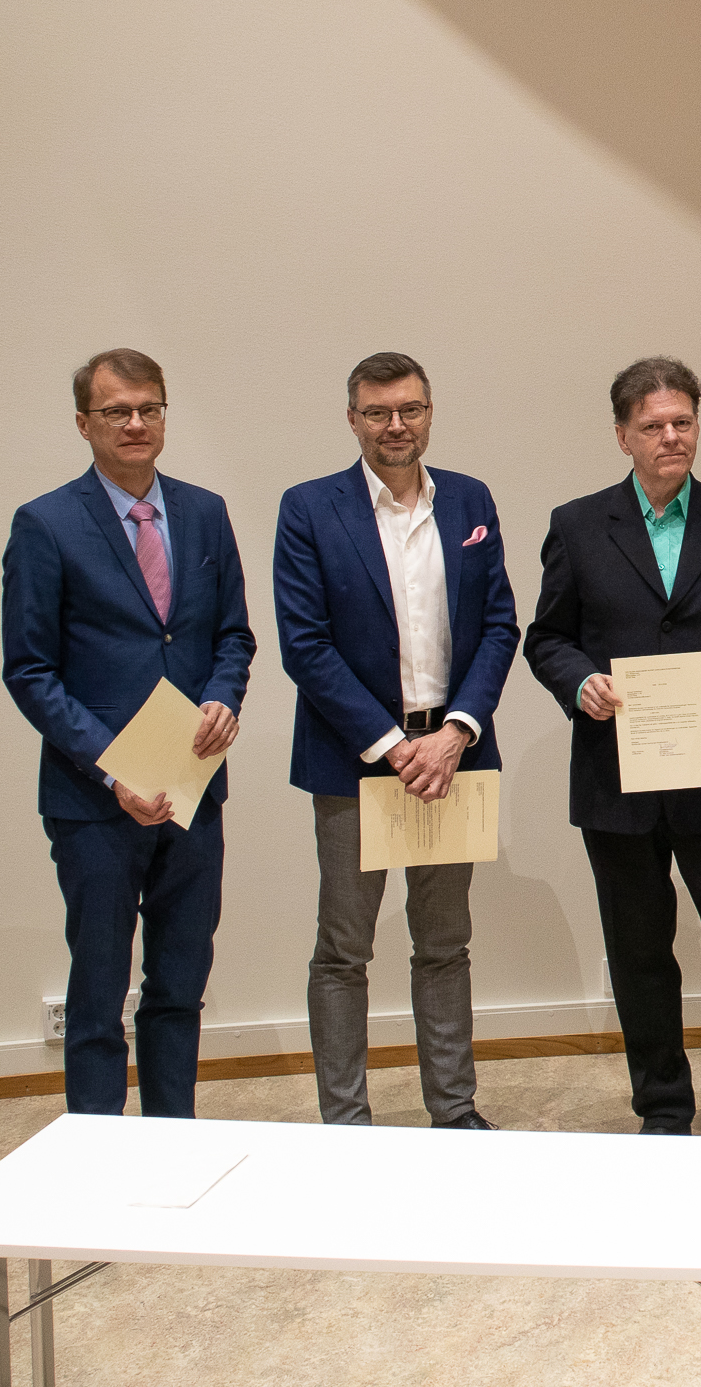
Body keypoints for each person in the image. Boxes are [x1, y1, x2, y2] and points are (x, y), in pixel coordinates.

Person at [522, 357, 701, 1136]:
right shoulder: (577, 525)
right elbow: (547, 637)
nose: (671, 436)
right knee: (639, 950)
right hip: (615, 778)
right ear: (623, 436)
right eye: (653, 425)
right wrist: (582, 682)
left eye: (683, 421)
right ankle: (664, 1105)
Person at [1, 349, 252, 1120]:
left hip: (193, 789)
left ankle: (173, 1138)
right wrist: (114, 768)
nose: (136, 423)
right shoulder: (46, 523)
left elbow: (233, 635)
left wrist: (223, 696)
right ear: (85, 423)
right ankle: (98, 1155)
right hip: (95, 801)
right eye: (117, 411)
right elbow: (30, 670)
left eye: (149, 408)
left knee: (180, 984)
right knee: (99, 991)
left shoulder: (205, 511)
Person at [273, 352, 519, 1129]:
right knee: (344, 950)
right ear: (352, 419)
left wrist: (455, 731)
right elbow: (305, 644)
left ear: (430, 411)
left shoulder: (469, 499)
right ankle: (347, 1123)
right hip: (356, 761)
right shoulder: (309, 507)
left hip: (454, 756)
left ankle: (455, 1111)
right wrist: (392, 743)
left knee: (445, 943)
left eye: (409, 409)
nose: (395, 425)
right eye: (377, 412)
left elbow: (500, 624)